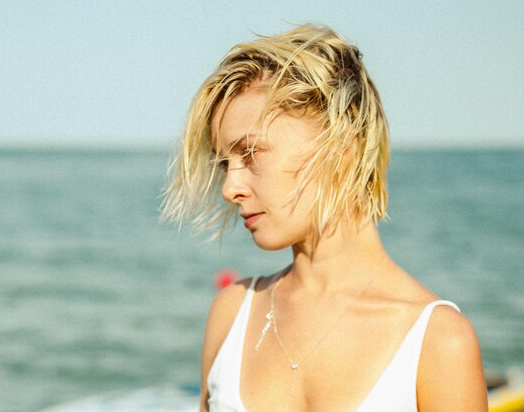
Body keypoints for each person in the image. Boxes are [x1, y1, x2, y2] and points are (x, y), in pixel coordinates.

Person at [161, 24, 487, 411]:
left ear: (341, 146)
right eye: (224, 164)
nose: (229, 188)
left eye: (250, 154)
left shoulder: (437, 342)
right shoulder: (233, 314)